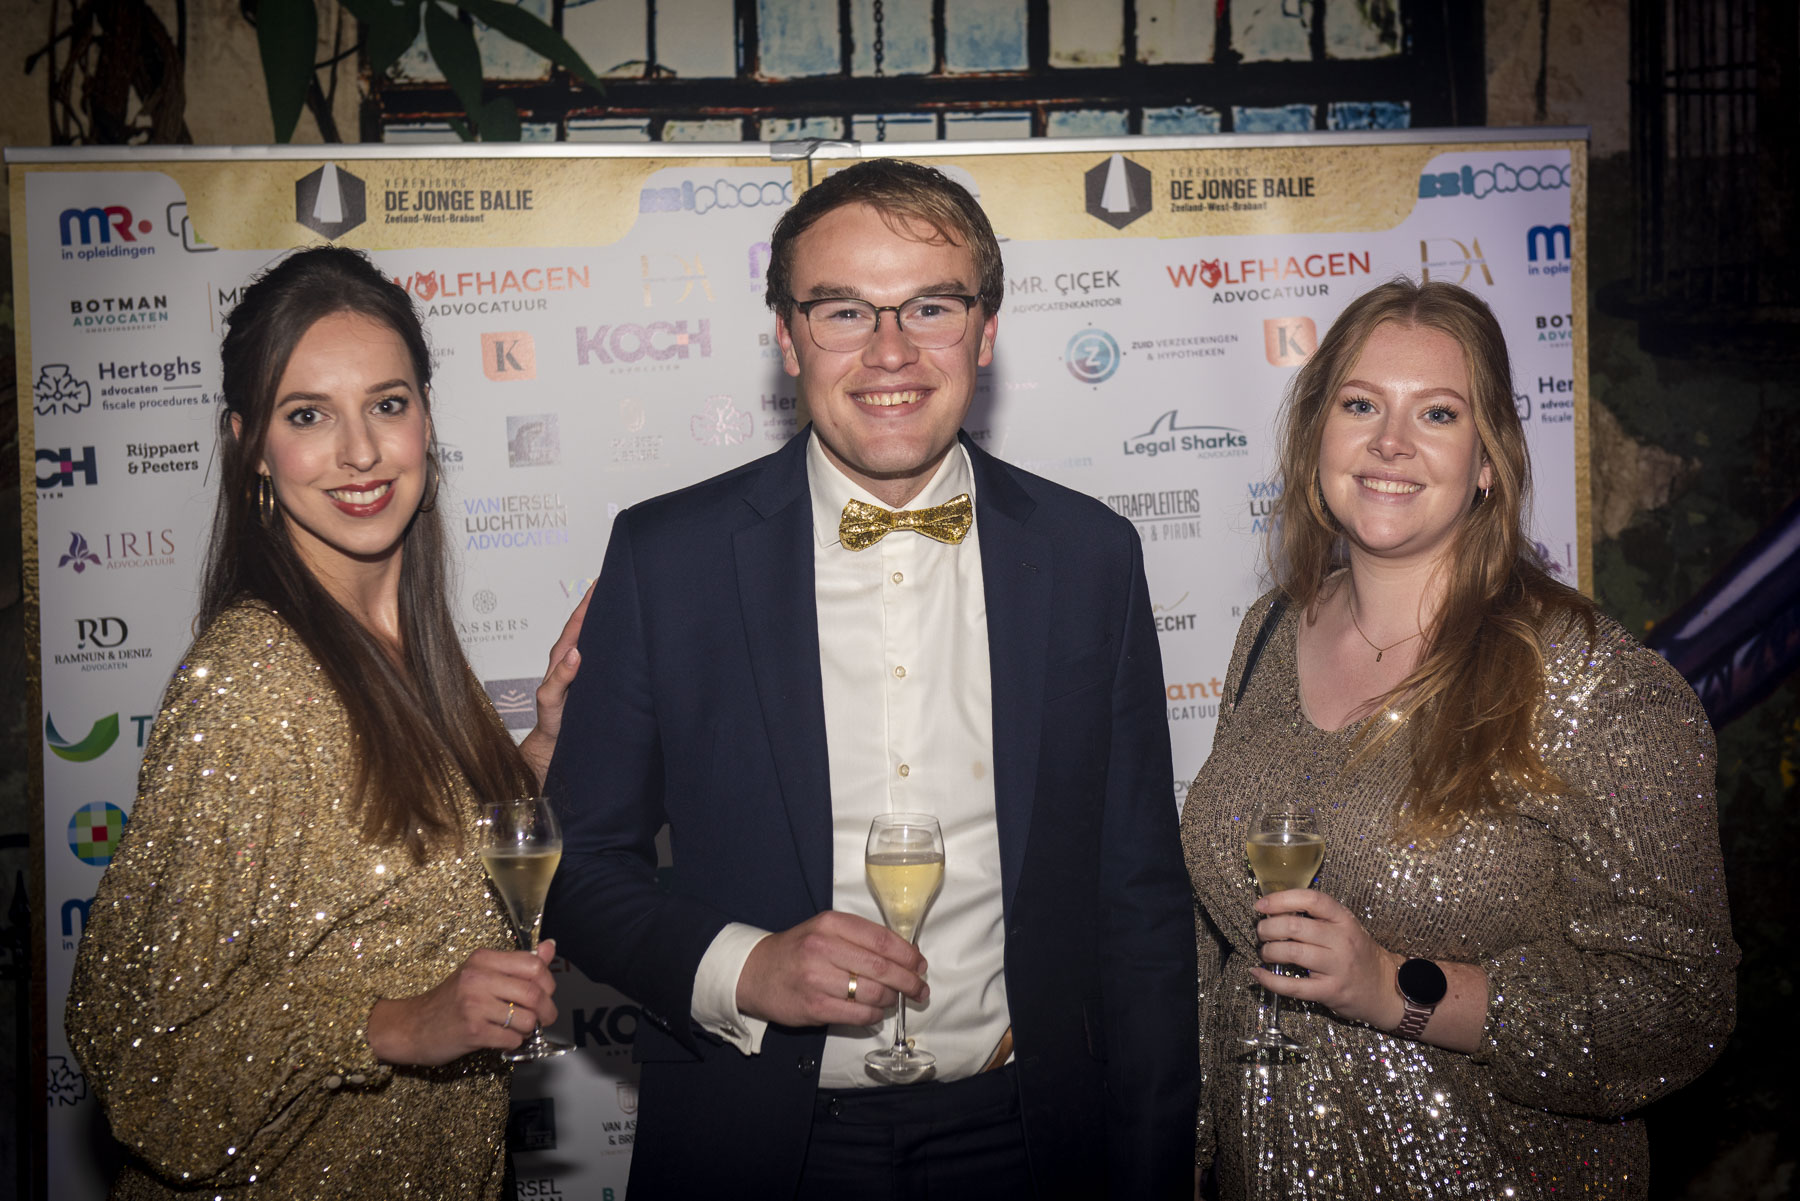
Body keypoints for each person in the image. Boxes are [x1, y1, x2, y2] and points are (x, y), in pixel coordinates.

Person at [544, 158, 1197, 1198]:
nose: (891, 352)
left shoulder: (1092, 556)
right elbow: (577, 869)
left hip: (1031, 1140)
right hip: (755, 1145)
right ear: (787, 336)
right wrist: (746, 967)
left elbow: (1142, 906)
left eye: (930, 306)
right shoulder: (669, 558)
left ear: (985, 331)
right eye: (844, 310)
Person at [1180, 278, 1738, 1198]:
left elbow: (1679, 1003)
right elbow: (1219, 950)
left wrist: (1396, 988)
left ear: (1488, 460)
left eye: (1437, 413)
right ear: (1317, 435)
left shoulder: (1588, 680)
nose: (1390, 442)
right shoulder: (1271, 630)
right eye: (1361, 404)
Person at [66, 246, 589, 1199]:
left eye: (387, 404)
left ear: (426, 418)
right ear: (249, 444)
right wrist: (396, 1023)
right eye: (308, 414)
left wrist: (542, 745)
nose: (360, 452)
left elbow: (415, 866)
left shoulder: (409, 646)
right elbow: (141, 1057)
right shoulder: (250, 684)